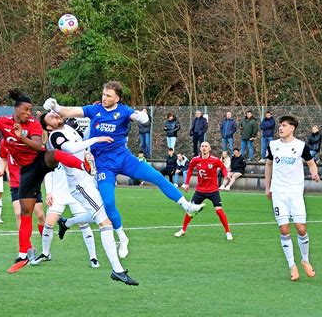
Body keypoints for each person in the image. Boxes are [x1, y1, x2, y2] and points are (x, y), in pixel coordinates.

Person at [43, 81, 205, 257]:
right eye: (103, 94)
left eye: (108, 96)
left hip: (125, 159)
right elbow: (68, 112)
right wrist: (56, 106)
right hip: (104, 165)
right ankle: (122, 237)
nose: (104, 98)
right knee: (109, 203)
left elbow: (138, 117)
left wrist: (144, 118)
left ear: (117, 98)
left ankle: (187, 206)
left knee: (157, 177)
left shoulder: (124, 111)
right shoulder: (94, 110)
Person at [0, 89, 93, 274]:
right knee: (26, 212)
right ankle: (24, 254)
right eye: (26, 109)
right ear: (17, 109)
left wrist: (21, 137)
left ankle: (84, 165)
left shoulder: (33, 124)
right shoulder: (4, 122)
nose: (29, 113)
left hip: (38, 161)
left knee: (51, 153)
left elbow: (38, 145)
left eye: (31, 110)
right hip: (26, 172)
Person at [38, 111, 138, 285]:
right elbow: (70, 148)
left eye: (55, 114)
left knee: (101, 214)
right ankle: (117, 270)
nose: (56, 116)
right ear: (48, 127)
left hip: (88, 180)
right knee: (105, 222)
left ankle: (66, 223)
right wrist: (95, 140)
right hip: (79, 184)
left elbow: (83, 144)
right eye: (51, 117)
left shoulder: (69, 128)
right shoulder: (55, 136)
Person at [264, 115, 319, 281]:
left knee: (301, 229)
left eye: (284, 125)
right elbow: (268, 165)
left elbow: (310, 162)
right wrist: (268, 187)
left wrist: (314, 173)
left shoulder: (301, 146)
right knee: (284, 229)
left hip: (295, 192)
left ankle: (305, 260)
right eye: (280, 125)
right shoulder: (273, 145)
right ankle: (291, 265)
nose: (280, 128)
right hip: (279, 192)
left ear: (292, 128)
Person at [30, 164, 100, 268]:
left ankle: (93, 258)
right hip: (57, 193)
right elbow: (49, 174)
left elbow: (87, 172)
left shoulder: (77, 152)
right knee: (49, 223)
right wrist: (49, 192)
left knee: (84, 224)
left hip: (76, 192)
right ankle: (45, 253)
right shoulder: (54, 153)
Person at [0, 139, 46, 268]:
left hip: (31, 183)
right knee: (19, 214)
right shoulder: (5, 142)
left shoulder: (30, 141)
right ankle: (27, 249)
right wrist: (1, 170)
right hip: (16, 184)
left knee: (40, 215)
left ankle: (46, 247)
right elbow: (3, 158)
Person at [174, 142, 232, 240]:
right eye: (202, 146)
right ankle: (183, 230)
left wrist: (226, 175)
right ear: (200, 149)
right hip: (200, 190)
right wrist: (187, 183)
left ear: (209, 149)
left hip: (213, 190)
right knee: (190, 210)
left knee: (219, 211)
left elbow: (222, 167)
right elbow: (190, 169)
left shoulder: (215, 160)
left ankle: (228, 232)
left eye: (206, 146)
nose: (204, 148)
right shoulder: (196, 159)